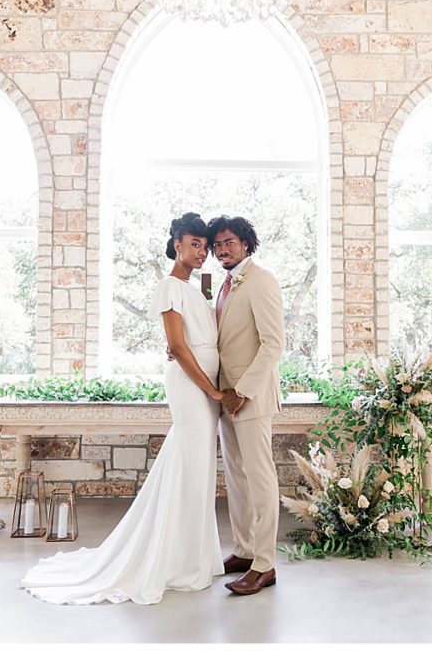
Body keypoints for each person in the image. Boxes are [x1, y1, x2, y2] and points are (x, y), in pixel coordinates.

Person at [20, 212, 225, 605]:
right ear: (176, 244)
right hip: (191, 385)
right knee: (190, 465)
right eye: (193, 244)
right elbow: (179, 348)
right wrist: (212, 392)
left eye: (205, 245)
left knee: (197, 469)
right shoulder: (169, 287)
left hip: (208, 382)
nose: (201, 252)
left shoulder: (199, 288)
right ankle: (174, 561)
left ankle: (194, 556)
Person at [208, 215, 285, 596]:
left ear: (245, 243)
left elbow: (274, 343)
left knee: (259, 477)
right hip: (224, 396)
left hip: (250, 397)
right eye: (217, 244)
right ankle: (244, 550)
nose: (222, 249)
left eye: (229, 242)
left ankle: (265, 564)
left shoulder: (261, 280)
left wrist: (244, 390)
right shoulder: (221, 286)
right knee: (236, 479)